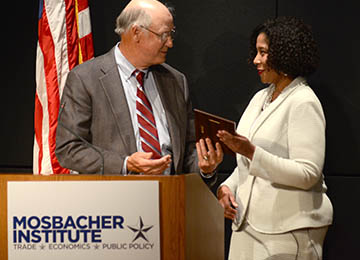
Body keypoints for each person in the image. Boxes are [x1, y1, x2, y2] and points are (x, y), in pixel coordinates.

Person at [55, 0, 223, 179]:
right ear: (136, 33)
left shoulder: (176, 81)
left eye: (171, 34)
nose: (170, 43)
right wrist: (125, 164)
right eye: (164, 35)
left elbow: (188, 151)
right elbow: (69, 148)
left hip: (171, 198)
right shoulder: (86, 78)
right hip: (113, 198)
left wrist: (205, 167)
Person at [216, 16, 333, 259]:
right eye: (256, 52)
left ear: (285, 54)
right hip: (247, 225)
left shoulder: (304, 101)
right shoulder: (260, 98)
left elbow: (308, 173)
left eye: (263, 52)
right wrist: (227, 187)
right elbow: (247, 164)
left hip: (287, 230)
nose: (256, 60)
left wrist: (250, 151)